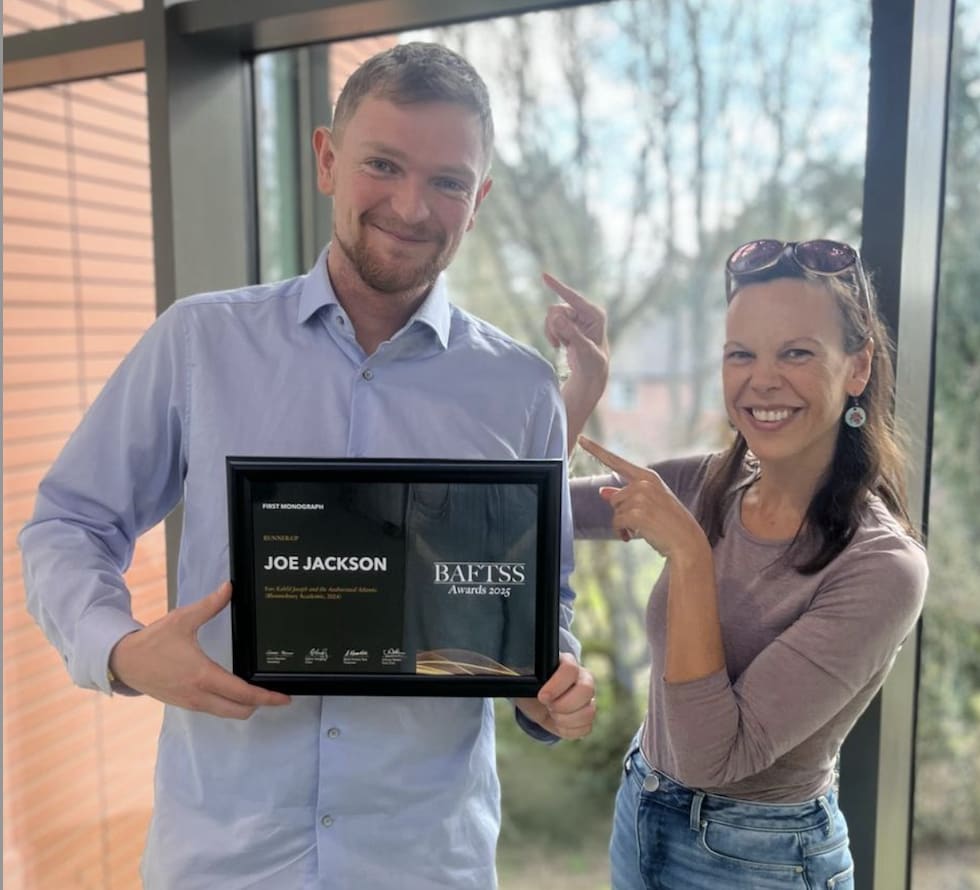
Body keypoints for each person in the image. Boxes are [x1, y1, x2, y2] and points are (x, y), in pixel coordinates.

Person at [19, 42, 596, 890]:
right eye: (382, 164)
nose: (410, 206)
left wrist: (550, 684)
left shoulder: (519, 391)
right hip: (223, 861)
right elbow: (69, 523)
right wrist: (122, 650)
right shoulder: (199, 343)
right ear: (326, 160)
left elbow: (541, 601)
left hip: (423, 865)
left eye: (446, 181)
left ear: (478, 201)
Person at [549, 238, 928, 889]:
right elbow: (531, 506)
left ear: (858, 367)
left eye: (797, 353)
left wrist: (690, 555)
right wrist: (583, 387)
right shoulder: (705, 485)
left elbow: (710, 757)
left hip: (763, 859)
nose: (763, 379)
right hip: (642, 808)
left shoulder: (883, 567)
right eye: (741, 354)